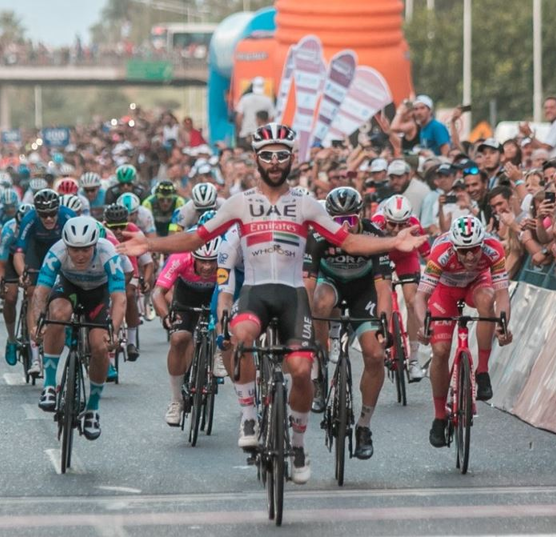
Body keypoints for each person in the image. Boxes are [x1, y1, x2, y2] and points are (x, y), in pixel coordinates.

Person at [117, 123, 426, 484]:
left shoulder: (307, 205)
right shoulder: (240, 203)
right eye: (267, 155)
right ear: (256, 159)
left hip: (293, 295)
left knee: (299, 369)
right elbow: (195, 238)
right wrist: (149, 245)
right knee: (240, 336)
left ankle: (297, 443)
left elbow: (352, 243)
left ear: (292, 159)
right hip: (257, 292)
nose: (275, 161)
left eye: (282, 155)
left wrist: (393, 243)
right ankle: (248, 414)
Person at [304, 187, 392, 460]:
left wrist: (385, 325)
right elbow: (307, 284)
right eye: (338, 219)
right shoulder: (317, 235)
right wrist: (304, 324)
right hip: (330, 285)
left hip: (363, 291)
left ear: (361, 215)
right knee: (318, 302)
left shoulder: (374, 236)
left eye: (350, 219)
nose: (344, 226)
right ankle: (319, 369)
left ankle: (364, 426)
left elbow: (384, 289)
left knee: (375, 355)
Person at [413, 215, 512, 448]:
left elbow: (502, 295)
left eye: (474, 250)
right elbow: (421, 296)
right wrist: (423, 325)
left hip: (476, 285)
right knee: (440, 351)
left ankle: (482, 372)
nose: (469, 256)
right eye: (463, 251)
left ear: (482, 244)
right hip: (445, 292)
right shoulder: (441, 253)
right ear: (454, 247)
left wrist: (503, 324)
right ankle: (439, 417)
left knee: (487, 301)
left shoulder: (494, 249)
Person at [29, 216, 127, 441]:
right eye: (74, 249)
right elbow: (41, 292)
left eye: (85, 249)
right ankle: (50, 385)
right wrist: (37, 322)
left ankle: (92, 409)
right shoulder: (57, 252)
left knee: (100, 347)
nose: (80, 255)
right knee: (58, 315)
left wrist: (115, 330)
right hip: (69, 287)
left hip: (98, 294)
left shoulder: (108, 254)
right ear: (67, 246)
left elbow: (119, 298)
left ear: (94, 244)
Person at [153, 236, 222, 426]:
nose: (207, 267)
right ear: (193, 257)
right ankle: (176, 401)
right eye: (202, 261)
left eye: (211, 261)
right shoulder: (180, 258)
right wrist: (165, 316)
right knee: (179, 339)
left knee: (224, 321)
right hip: (186, 297)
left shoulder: (228, 259)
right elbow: (157, 292)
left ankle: (218, 353)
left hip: (218, 294)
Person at [13, 189, 78, 377]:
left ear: (58, 210)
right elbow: (19, 253)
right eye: (44, 215)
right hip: (37, 252)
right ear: (37, 213)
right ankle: (35, 356)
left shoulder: (68, 216)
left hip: (63, 251)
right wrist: (22, 274)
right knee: (33, 293)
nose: (49, 218)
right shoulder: (30, 219)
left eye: (52, 214)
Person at [371, 195, 431, 381]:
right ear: (385, 219)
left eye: (401, 225)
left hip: (406, 256)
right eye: (392, 225)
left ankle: (413, 359)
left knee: (413, 301)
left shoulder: (414, 225)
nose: (397, 229)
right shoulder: (376, 223)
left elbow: (428, 256)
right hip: (382, 253)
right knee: (382, 296)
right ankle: (382, 339)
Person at [103, 203, 155, 361]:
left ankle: (132, 342)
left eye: (121, 227)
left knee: (129, 294)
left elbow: (148, 262)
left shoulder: (133, 230)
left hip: (129, 269)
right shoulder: (101, 231)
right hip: (108, 270)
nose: (118, 231)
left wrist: (146, 280)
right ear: (106, 224)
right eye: (114, 227)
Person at [0, 203, 33, 365]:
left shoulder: (39, 229)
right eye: (20, 226)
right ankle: (11, 339)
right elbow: (0, 266)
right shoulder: (9, 230)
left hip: (32, 256)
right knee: (10, 297)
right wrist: (2, 286)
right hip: (11, 260)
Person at [519, 97, 556, 161]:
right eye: (546, 108)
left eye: (552, 108)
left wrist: (529, 134)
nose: (548, 110)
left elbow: (544, 148)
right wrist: (528, 134)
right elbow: (540, 148)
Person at [235, 77, 276, 148]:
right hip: (262, 135)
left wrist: (240, 130)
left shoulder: (245, 99)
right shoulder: (268, 100)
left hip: (245, 133)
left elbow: (239, 116)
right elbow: (271, 118)